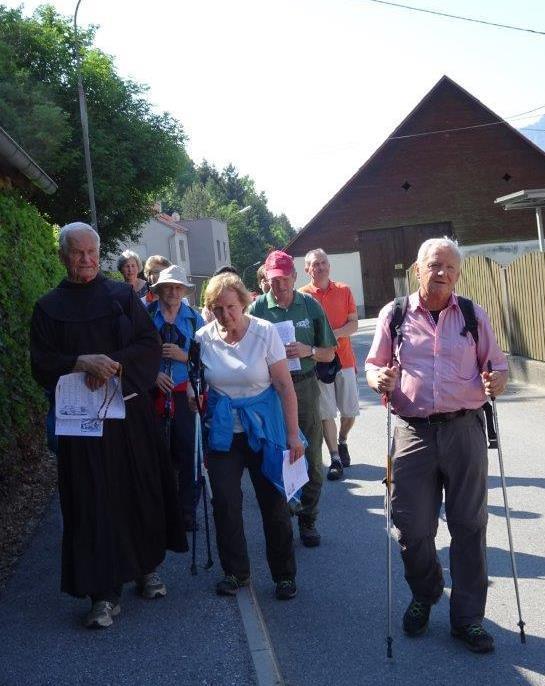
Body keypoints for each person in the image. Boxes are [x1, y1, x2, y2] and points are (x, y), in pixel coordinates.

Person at [30, 222, 187, 630]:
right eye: (77, 252)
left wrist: (112, 364)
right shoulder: (48, 308)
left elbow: (148, 346)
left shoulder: (122, 297)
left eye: (92, 252)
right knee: (92, 503)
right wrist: (79, 362)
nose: (86, 259)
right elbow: (40, 363)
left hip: (129, 417)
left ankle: (146, 568)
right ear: (63, 256)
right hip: (80, 427)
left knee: (139, 492)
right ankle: (103, 593)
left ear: (100, 255)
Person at [365, 237, 508, 654]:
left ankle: (468, 618)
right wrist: (378, 379)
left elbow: (498, 365)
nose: (441, 272)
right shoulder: (394, 314)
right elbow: (373, 366)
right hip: (413, 432)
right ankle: (426, 592)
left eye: (449, 267)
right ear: (417, 270)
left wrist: (497, 380)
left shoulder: (472, 314)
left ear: (458, 274)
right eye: (433, 265)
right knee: (411, 525)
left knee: (469, 524)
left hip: (465, 430)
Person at [194, 272, 304, 600]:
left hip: (264, 428)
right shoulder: (202, 338)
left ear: (243, 303)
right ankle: (235, 572)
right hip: (224, 432)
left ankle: (284, 575)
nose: (225, 315)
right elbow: (198, 383)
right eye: (217, 308)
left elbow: (284, 386)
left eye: (230, 307)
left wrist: (293, 436)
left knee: (274, 504)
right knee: (225, 503)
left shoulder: (264, 332)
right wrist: (193, 397)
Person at [249, 251, 337, 547]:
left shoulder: (310, 305)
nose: (280, 286)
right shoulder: (258, 308)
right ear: (267, 279)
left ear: (295, 277)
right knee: (277, 455)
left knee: (311, 459)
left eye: (285, 279)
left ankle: (308, 519)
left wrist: (307, 350)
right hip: (271, 391)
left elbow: (329, 353)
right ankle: (283, 514)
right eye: (274, 280)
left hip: (304, 386)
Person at [148, 264, 205, 531]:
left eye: (177, 287)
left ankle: (187, 512)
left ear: (184, 291)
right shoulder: (145, 316)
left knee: (189, 454)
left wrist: (185, 356)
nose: (172, 292)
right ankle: (161, 511)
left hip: (186, 393)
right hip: (152, 395)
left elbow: (208, 357)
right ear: (158, 289)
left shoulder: (195, 320)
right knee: (156, 455)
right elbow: (133, 354)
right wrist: (152, 375)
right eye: (167, 287)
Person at [300, 249, 360, 481]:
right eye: (315, 264)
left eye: (323, 262)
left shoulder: (344, 290)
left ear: (329, 265)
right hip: (317, 362)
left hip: (344, 361)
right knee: (326, 412)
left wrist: (332, 334)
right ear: (307, 269)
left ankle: (342, 440)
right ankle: (335, 457)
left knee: (350, 411)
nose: (320, 267)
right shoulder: (302, 296)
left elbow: (353, 324)